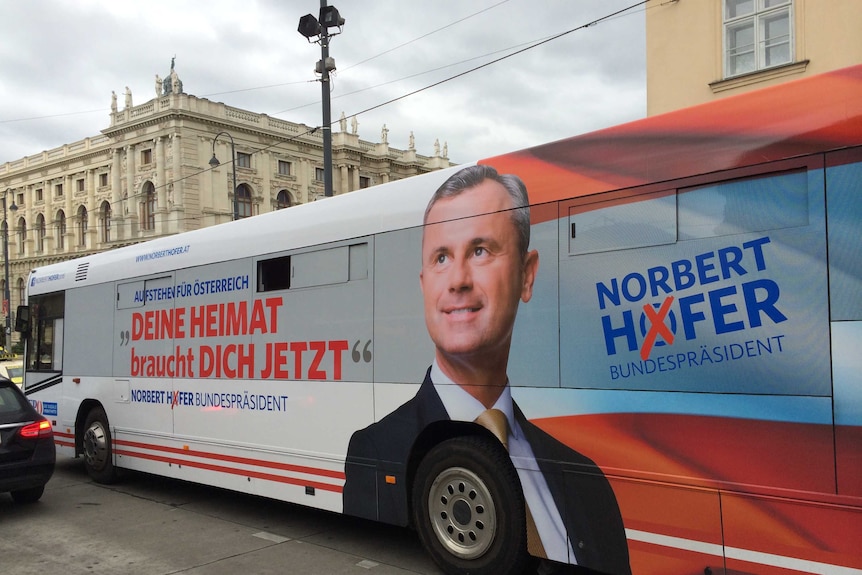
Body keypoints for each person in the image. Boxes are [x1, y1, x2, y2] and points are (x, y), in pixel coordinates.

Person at [343, 165, 631, 575]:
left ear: (526, 275)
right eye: (442, 257)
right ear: (424, 284)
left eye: (480, 250)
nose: (458, 280)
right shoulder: (374, 449)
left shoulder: (587, 478)